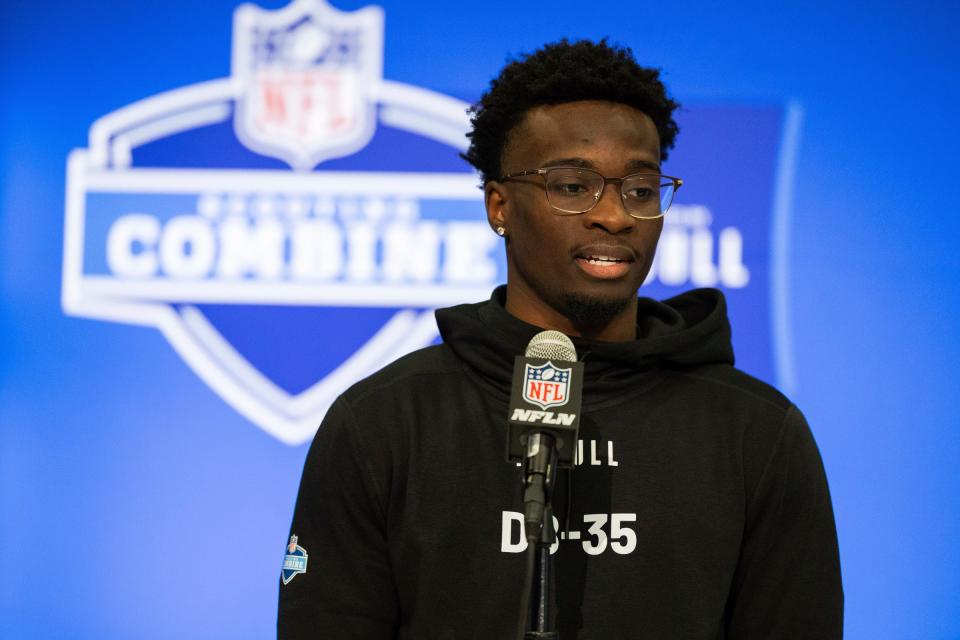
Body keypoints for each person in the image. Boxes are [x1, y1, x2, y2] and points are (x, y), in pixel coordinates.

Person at [278, 39, 843, 639]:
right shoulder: (384, 424)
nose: (616, 216)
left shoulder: (755, 432)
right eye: (573, 186)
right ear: (500, 206)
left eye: (641, 189)